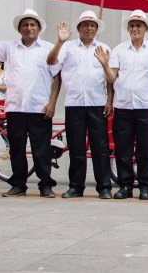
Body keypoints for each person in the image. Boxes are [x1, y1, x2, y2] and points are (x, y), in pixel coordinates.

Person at [0, 3, 60, 198]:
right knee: (17, 149)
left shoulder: (49, 49)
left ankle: (46, 185)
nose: (29, 28)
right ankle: (18, 185)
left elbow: (57, 77)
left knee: (41, 150)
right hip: (15, 107)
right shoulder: (9, 47)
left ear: (39, 28)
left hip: (40, 107)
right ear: (20, 28)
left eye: (33, 24)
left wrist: (52, 103)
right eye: (25, 25)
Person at [47, 11, 115, 199]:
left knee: (100, 148)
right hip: (74, 104)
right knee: (76, 147)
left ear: (97, 29)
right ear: (78, 28)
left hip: (97, 104)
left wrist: (110, 100)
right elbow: (51, 63)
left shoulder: (104, 48)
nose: (89, 28)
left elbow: (111, 80)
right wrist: (59, 42)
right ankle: (76, 187)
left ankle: (104, 187)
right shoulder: (67, 47)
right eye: (85, 25)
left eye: (92, 25)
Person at [109, 10, 148, 200]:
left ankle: (145, 186)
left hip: (146, 105)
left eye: (139, 25)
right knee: (123, 149)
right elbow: (112, 77)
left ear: (145, 28)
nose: (135, 29)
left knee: (145, 149)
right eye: (132, 25)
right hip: (123, 105)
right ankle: (125, 185)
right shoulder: (118, 50)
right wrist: (103, 65)